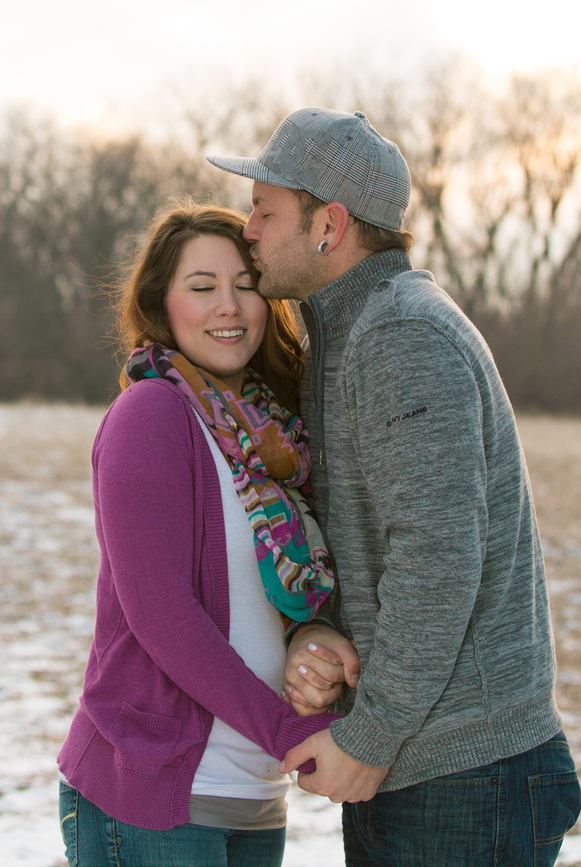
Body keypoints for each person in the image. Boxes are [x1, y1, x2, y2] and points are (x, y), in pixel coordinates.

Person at [207, 109, 581, 866]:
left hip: (466, 779)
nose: (249, 229)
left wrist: (367, 737)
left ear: (329, 224)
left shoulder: (400, 335)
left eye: (265, 208)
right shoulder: (348, 337)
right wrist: (327, 642)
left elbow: (437, 559)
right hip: (433, 767)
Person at [57, 203, 359, 867]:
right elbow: (160, 614)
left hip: (252, 798)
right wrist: (288, 729)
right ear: (162, 306)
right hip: (155, 802)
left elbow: (273, 599)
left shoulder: (276, 438)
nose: (229, 305)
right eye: (202, 287)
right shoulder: (152, 413)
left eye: (245, 284)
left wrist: (314, 639)